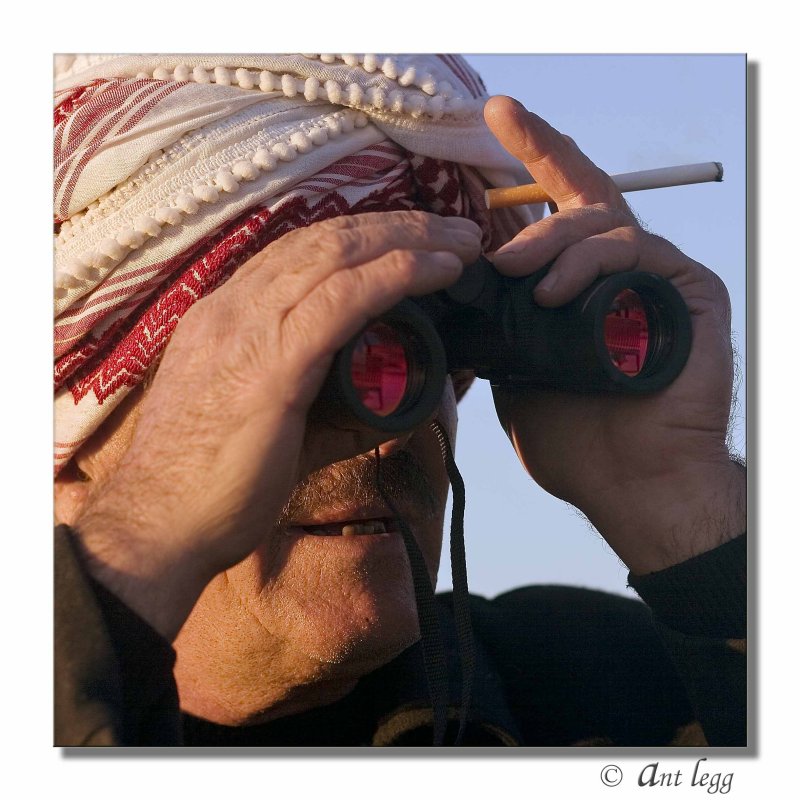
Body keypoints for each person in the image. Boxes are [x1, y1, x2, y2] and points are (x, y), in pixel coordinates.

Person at [53, 54, 746, 747]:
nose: (385, 433)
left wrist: (692, 519)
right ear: (69, 434)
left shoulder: (622, 693)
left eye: (425, 342)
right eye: (306, 354)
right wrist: (136, 549)